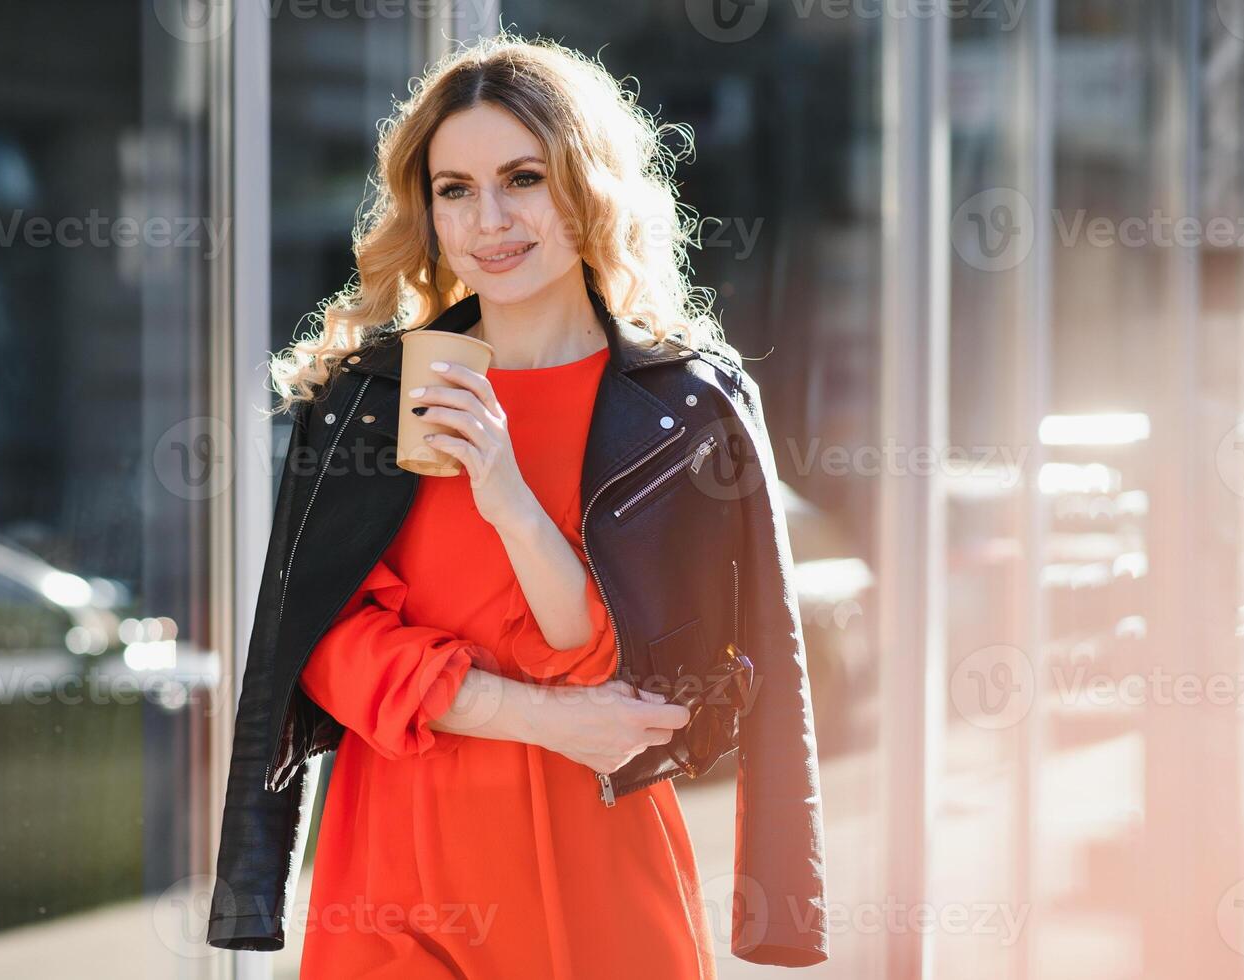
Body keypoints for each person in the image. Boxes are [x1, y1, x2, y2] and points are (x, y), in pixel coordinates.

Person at [208, 31, 828, 977]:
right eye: (454, 189)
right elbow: (322, 650)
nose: (488, 219)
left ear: (586, 186)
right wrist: (538, 717)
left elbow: (626, 664)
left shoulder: (683, 406)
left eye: (523, 178)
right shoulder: (373, 398)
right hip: (388, 866)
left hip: (594, 860)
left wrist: (506, 494)